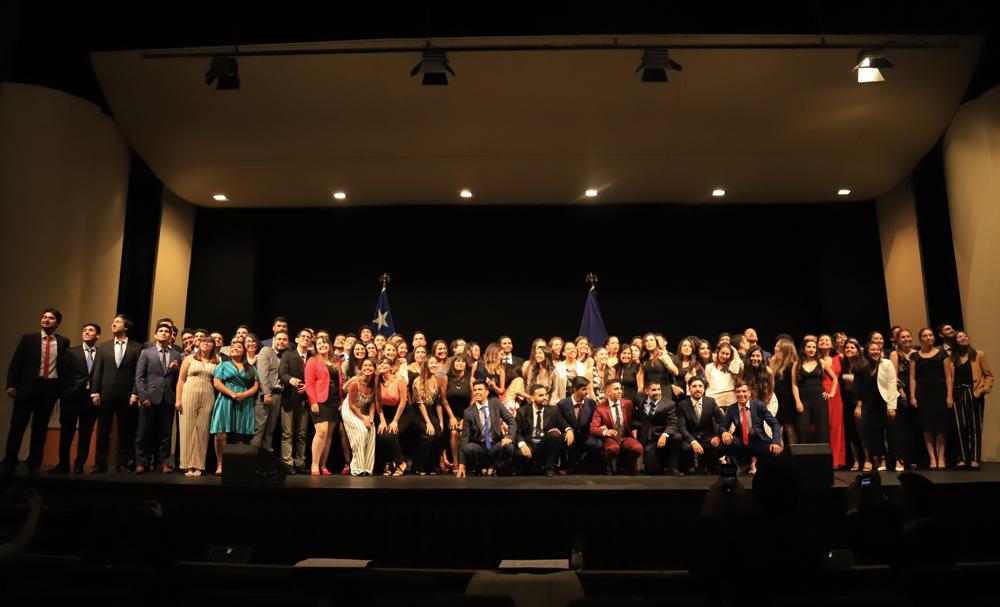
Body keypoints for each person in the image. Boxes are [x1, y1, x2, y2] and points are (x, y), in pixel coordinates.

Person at [3, 309, 71, 475]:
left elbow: (64, 367)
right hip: (27, 389)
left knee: (40, 427)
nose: (46, 320)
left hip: (49, 389)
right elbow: (16, 363)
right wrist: (11, 385)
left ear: (57, 323)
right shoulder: (28, 339)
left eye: (51, 318)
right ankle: (9, 460)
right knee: (18, 425)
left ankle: (34, 461)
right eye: (44, 317)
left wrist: (60, 390)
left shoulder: (63, 342)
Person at [90, 314, 143, 473]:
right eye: (113, 321)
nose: (114, 324)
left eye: (118, 322)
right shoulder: (104, 346)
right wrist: (95, 392)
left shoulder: (137, 347)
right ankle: (101, 463)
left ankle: (123, 463)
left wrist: (135, 393)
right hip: (105, 394)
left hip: (127, 395)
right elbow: (97, 370)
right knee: (103, 431)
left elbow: (137, 373)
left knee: (125, 431)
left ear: (126, 327)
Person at [133, 322, 183, 474]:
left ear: (171, 336)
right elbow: (139, 377)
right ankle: (141, 463)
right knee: (143, 433)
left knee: (165, 433)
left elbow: (180, 378)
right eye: (160, 331)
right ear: (155, 335)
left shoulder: (176, 354)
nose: (163, 333)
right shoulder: (146, 352)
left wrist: (177, 369)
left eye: (166, 331)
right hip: (148, 398)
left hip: (168, 398)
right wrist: (143, 396)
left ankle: (163, 463)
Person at [52, 322, 101, 474]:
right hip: (71, 398)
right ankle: (63, 464)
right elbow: (62, 373)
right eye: (85, 330)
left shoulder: (101, 354)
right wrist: (63, 394)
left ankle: (79, 464)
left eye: (91, 330)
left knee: (85, 433)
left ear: (97, 335)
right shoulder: (70, 352)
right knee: (67, 432)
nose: (86, 332)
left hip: (90, 399)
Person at [210, 340, 259, 474]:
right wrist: (232, 394)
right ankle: (221, 465)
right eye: (233, 347)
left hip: (244, 401)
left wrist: (244, 395)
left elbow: (256, 386)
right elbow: (217, 382)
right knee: (220, 434)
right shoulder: (223, 365)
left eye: (239, 347)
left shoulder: (250, 367)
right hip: (226, 399)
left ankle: (235, 466)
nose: (235, 348)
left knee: (240, 436)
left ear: (244, 351)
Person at [909, 328, 954, 470]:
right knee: (927, 428)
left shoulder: (942, 353)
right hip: (923, 395)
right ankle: (932, 459)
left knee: (940, 428)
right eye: (925, 335)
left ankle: (941, 458)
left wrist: (949, 395)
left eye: (930, 335)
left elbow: (948, 376)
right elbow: (912, 377)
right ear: (920, 338)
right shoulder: (915, 356)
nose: (928, 337)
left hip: (940, 393)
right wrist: (912, 396)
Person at [175, 332, 218, 476]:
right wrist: (178, 399)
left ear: (213, 345)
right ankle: (187, 465)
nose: (206, 343)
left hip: (208, 394)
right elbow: (180, 380)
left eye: (209, 342)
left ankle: (199, 465)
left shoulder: (216, 361)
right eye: (203, 341)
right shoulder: (189, 359)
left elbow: (218, 381)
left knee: (202, 430)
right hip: (189, 393)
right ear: (198, 344)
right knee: (187, 428)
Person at [718, 382, 783, 474]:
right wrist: (724, 432)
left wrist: (776, 442)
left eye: (744, 391)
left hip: (759, 440)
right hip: (741, 441)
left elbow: (775, 424)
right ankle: (738, 468)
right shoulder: (731, 409)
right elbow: (722, 426)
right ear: (735, 394)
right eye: (738, 392)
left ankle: (765, 471)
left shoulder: (759, 406)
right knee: (725, 442)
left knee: (773, 449)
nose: (741, 394)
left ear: (749, 393)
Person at [456, 379, 517, 477]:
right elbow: (464, 438)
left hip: (495, 444)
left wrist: (509, 437)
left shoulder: (495, 403)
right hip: (480, 446)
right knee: (468, 447)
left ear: (487, 392)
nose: (476, 392)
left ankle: (496, 466)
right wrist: (461, 464)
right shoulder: (468, 412)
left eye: (480, 389)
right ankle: (481, 465)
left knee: (508, 446)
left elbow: (511, 421)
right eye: (475, 390)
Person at [949, 330, 991, 470]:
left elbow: (989, 376)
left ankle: (974, 458)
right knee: (960, 427)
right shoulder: (952, 357)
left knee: (974, 427)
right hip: (957, 393)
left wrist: (980, 392)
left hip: (973, 393)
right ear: (955, 341)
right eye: (960, 337)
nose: (963, 338)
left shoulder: (979, 355)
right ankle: (963, 458)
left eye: (965, 336)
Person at [853, 342, 898, 472]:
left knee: (889, 432)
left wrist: (891, 406)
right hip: (869, 403)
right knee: (874, 432)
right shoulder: (862, 366)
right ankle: (880, 459)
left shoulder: (886, 363)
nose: (875, 352)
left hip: (884, 401)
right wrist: (859, 406)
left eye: (877, 350)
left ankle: (891, 459)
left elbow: (891, 384)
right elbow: (860, 389)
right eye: (872, 350)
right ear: (867, 352)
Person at [305, 335, 341, 476]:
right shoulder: (312, 361)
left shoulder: (336, 361)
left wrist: (341, 401)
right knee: (321, 432)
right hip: (320, 400)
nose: (322, 345)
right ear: (316, 347)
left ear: (329, 345)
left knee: (329, 435)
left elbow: (339, 382)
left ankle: (323, 465)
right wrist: (313, 401)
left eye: (325, 343)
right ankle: (314, 464)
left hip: (334, 401)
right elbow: (309, 383)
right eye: (319, 344)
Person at [792, 337, 838, 445]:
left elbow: (834, 379)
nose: (811, 349)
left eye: (814, 347)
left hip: (819, 399)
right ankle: (806, 459)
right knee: (802, 429)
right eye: (809, 347)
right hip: (804, 400)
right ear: (803, 349)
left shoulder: (821, 362)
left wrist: (831, 393)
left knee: (822, 430)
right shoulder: (797, 363)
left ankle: (822, 460)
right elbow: (794, 384)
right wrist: (797, 401)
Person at [278, 330, 312, 474]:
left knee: (302, 434)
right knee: (288, 433)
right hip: (290, 399)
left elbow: (315, 378)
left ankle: (300, 462)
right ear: (297, 340)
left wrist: (308, 388)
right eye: (303, 336)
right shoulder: (288, 355)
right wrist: (291, 380)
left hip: (305, 401)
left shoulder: (312, 357)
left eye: (308, 337)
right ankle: (287, 463)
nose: (305, 339)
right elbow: (282, 373)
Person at [591, 379, 642, 474]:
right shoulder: (600, 408)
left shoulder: (628, 404)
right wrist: (605, 432)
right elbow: (593, 428)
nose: (619, 391)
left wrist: (634, 431)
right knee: (612, 448)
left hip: (625, 436)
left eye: (620, 389)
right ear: (608, 392)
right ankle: (606, 466)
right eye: (616, 389)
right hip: (611, 438)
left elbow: (636, 420)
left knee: (637, 448)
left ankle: (625, 464)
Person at [514, 384, 566, 476]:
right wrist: (522, 445)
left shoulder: (553, 410)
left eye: (546, 395)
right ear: (532, 398)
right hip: (529, 443)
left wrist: (569, 430)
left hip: (544, 443)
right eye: (541, 395)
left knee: (555, 435)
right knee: (520, 455)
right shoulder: (522, 411)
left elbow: (564, 424)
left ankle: (549, 467)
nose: (545, 397)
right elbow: (516, 432)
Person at [635, 381, 683, 475]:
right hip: (649, 438)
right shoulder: (640, 399)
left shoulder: (669, 404)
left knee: (677, 437)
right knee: (651, 471)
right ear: (646, 391)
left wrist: (665, 435)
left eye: (659, 389)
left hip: (663, 434)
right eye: (654, 390)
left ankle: (673, 467)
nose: (657, 392)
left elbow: (673, 423)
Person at [677, 376, 723, 474]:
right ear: (689, 389)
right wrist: (693, 441)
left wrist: (718, 435)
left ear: (704, 389)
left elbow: (722, 421)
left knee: (719, 446)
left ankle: (711, 465)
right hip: (689, 438)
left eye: (700, 386)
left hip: (707, 437)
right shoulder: (682, 404)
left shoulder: (710, 402)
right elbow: (681, 427)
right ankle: (688, 467)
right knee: (685, 447)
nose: (698, 389)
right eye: (694, 386)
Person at [556, 375, 601, 474]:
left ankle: (591, 468)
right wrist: (568, 430)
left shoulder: (592, 403)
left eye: (588, 389)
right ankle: (565, 466)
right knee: (565, 439)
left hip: (587, 434)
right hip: (571, 434)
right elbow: (560, 421)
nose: (587, 392)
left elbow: (595, 420)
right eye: (584, 389)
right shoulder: (562, 404)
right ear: (575, 390)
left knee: (597, 443)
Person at [252, 330, 287, 452]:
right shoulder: (266, 351)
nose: (281, 342)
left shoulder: (286, 356)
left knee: (270, 429)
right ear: (274, 340)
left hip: (278, 395)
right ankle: (253, 459)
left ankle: (265, 461)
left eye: (284, 340)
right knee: (259, 428)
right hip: (265, 393)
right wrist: (266, 393)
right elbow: (262, 374)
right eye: (279, 339)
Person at [375, 356, 410, 476]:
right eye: (380, 363)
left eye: (385, 363)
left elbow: (403, 401)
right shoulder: (377, 381)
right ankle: (389, 463)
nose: (382, 365)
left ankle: (401, 462)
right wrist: (382, 420)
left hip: (403, 412)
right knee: (381, 434)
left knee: (390, 434)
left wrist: (395, 421)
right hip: (386, 412)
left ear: (391, 367)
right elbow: (378, 403)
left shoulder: (399, 379)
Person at [412, 358, 448, 475]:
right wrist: (428, 422)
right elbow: (420, 404)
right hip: (418, 413)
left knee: (439, 435)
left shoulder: (438, 380)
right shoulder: (418, 381)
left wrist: (441, 421)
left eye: (435, 363)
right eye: (431, 363)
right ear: (426, 365)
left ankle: (431, 466)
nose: (434, 365)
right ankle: (418, 466)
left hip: (431, 411)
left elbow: (438, 403)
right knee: (429, 435)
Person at [342, 358, 377, 476]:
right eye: (365, 365)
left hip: (362, 410)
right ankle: (357, 467)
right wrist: (363, 419)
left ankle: (367, 468)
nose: (368, 368)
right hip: (350, 409)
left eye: (370, 366)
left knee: (372, 430)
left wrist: (371, 418)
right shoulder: (355, 383)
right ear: (361, 369)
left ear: (374, 369)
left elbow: (372, 403)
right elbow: (351, 404)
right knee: (362, 431)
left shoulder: (374, 384)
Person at [890, 328, 916, 471]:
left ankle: (915, 458)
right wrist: (902, 392)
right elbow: (894, 376)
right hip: (901, 391)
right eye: (903, 337)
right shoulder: (895, 354)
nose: (906, 339)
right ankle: (904, 458)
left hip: (916, 390)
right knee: (903, 426)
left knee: (915, 425)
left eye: (908, 336)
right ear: (898, 340)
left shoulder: (916, 353)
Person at [818, 334, 846, 469]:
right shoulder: (813, 359)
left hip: (835, 393)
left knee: (836, 426)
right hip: (820, 392)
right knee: (822, 426)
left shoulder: (838, 358)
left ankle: (836, 459)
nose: (824, 342)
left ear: (831, 344)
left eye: (827, 340)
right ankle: (823, 458)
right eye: (821, 340)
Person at [840, 338, 867, 471]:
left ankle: (867, 460)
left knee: (862, 432)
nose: (849, 350)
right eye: (847, 348)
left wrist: (859, 405)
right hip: (847, 402)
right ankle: (856, 461)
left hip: (860, 402)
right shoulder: (844, 365)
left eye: (852, 347)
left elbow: (864, 388)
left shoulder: (862, 365)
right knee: (850, 432)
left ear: (858, 350)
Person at [769, 338, 799, 445]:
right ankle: (779, 456)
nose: (775, 348)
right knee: (777, 430)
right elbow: (770, 380)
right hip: (776, 399)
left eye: (778, 346)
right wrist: (772, 363)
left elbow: (795, 384)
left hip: (788, 400)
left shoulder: (793, 364)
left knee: (790, 429)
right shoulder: (775, 363)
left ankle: (794, 456)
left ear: (785, 349)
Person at [445, 354, 472, 471]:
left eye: (462, 361)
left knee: (463, 433)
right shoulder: (446, 378)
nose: (459, 363)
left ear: (466, 364)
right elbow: (443, 399)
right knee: (454, 433)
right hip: (451, 413)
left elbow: (474, 399)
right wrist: (451, 417)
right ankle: (456, 461)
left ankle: (465, 462)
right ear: (453, 364)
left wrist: (465, 418)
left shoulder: (471, 378)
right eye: (457, 361)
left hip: (466, 413)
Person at [704, 343, 738, 409]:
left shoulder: (732, 366)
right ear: (718, 352)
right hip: (714, 400)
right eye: (722, 353)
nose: (724, 356)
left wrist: (734, 350)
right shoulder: (709, 367)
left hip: (730, 400)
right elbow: (709, 382)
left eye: (727, 354)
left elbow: (737, 364)